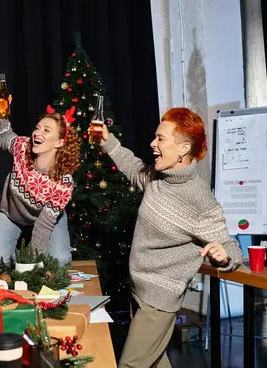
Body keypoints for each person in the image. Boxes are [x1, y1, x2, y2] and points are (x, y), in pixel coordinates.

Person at [95, 107, 243, 368]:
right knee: (154, 363)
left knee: (131, 364)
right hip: (139, 289)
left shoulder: (199, 200)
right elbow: (132, 167)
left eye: (161, 139)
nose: (152, 144)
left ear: (184, 149)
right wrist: (108, 140)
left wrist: (224, 255)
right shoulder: (157, 178)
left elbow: (231, 247)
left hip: (159, 301)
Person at [0, 95, 81, 267]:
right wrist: (1, 115)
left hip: (44, 219)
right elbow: (4, 137)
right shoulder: (23, 147)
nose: (37, 132)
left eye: (46, 130)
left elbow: (43, 227)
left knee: (58, 261)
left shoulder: (63, 182)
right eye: (37, 128)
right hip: (7, 213)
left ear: (59, 142)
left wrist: (29, 265)